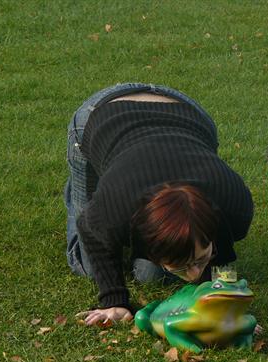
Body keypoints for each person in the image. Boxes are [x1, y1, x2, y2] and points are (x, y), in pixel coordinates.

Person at [64, 83, 254, 327]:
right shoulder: (116, 205)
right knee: (87, 264)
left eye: (198, 260)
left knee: (150, 275)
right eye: (184, 266)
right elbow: (90, 229)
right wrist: (115, 301)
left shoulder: (235, 204)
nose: (194, 275)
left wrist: (225, 306)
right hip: (102, 115)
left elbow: (222, 252)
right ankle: (79, 189)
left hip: (184, 112)